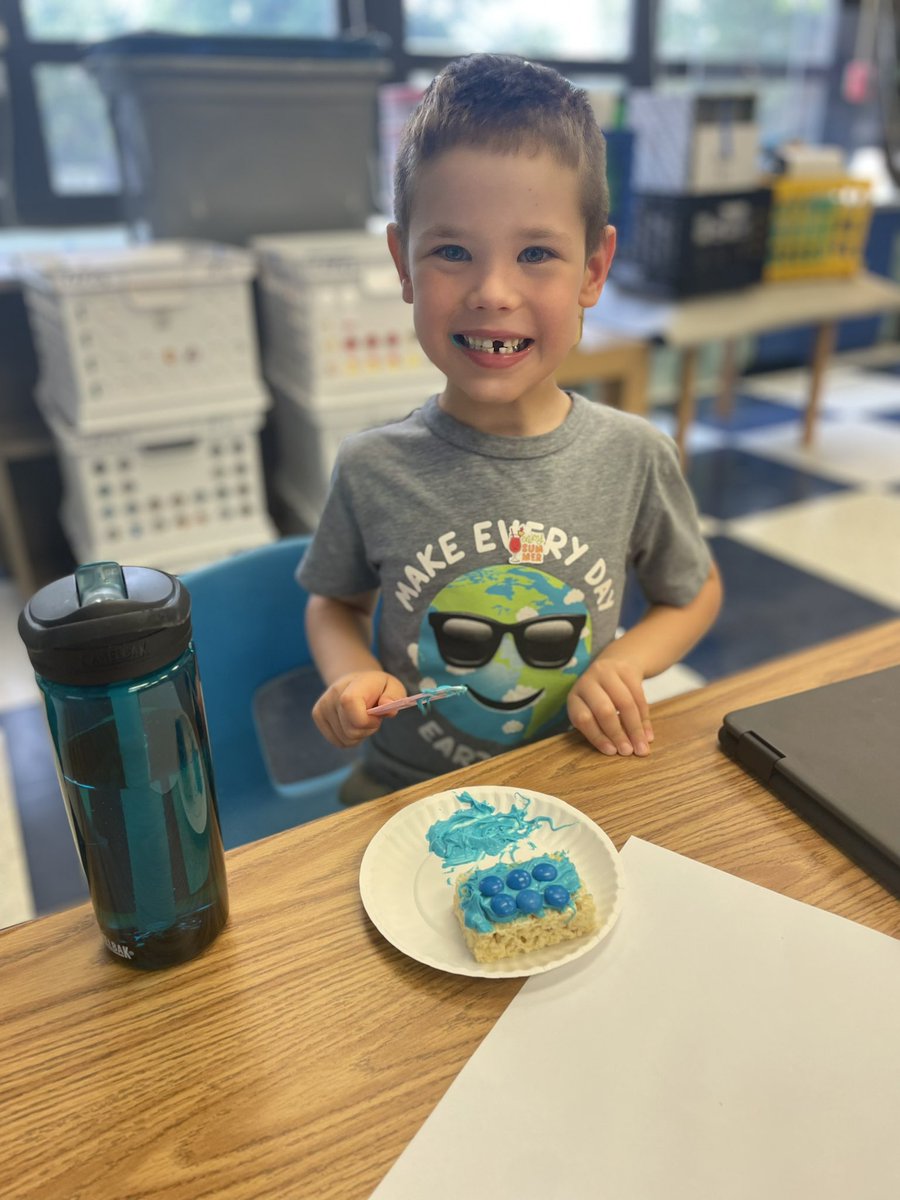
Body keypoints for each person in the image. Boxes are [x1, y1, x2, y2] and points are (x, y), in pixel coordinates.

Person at [298, 53, 722, 803]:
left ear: (594, 269)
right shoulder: (370, 468)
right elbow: (334, 601)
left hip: (575, 784)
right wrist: (349, 675)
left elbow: (695, 592)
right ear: (403, 263)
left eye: (536, 254)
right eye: (452, 252)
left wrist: (625, 665)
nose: (493, 292)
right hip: (402, 794)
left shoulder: (635, 456)